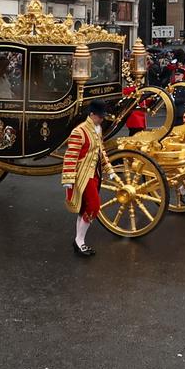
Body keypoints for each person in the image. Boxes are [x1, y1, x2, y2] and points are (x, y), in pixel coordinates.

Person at [60, 100, 110, 257]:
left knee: (86, 207)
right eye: (100, 116)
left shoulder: (98, 128)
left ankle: (79, 241)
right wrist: (68, 178)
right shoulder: (79, 132)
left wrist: (109, 168)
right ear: (92, 114)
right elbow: (70, 156)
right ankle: (79, 240)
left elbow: (101, 151)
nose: (102, 119)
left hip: (94, 173)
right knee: (94, 206)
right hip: (82, 174)